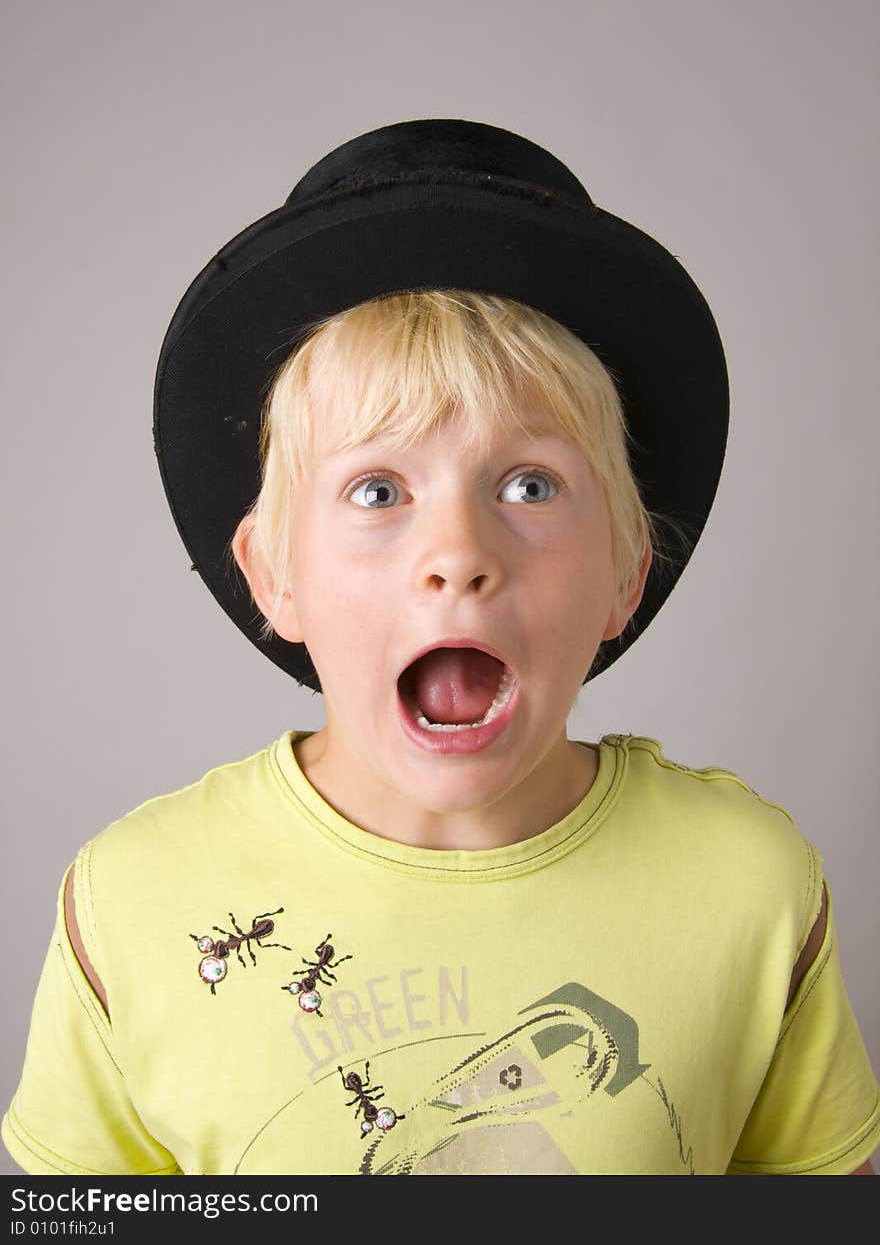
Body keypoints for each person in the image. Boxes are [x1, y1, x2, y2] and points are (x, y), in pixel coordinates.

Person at [3, 120, 878, 1176]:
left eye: (529, 485)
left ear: (626, 572)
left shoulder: (751, 888)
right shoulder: (133, 904)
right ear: (271, 574)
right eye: (377, 491)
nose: (457, 554)